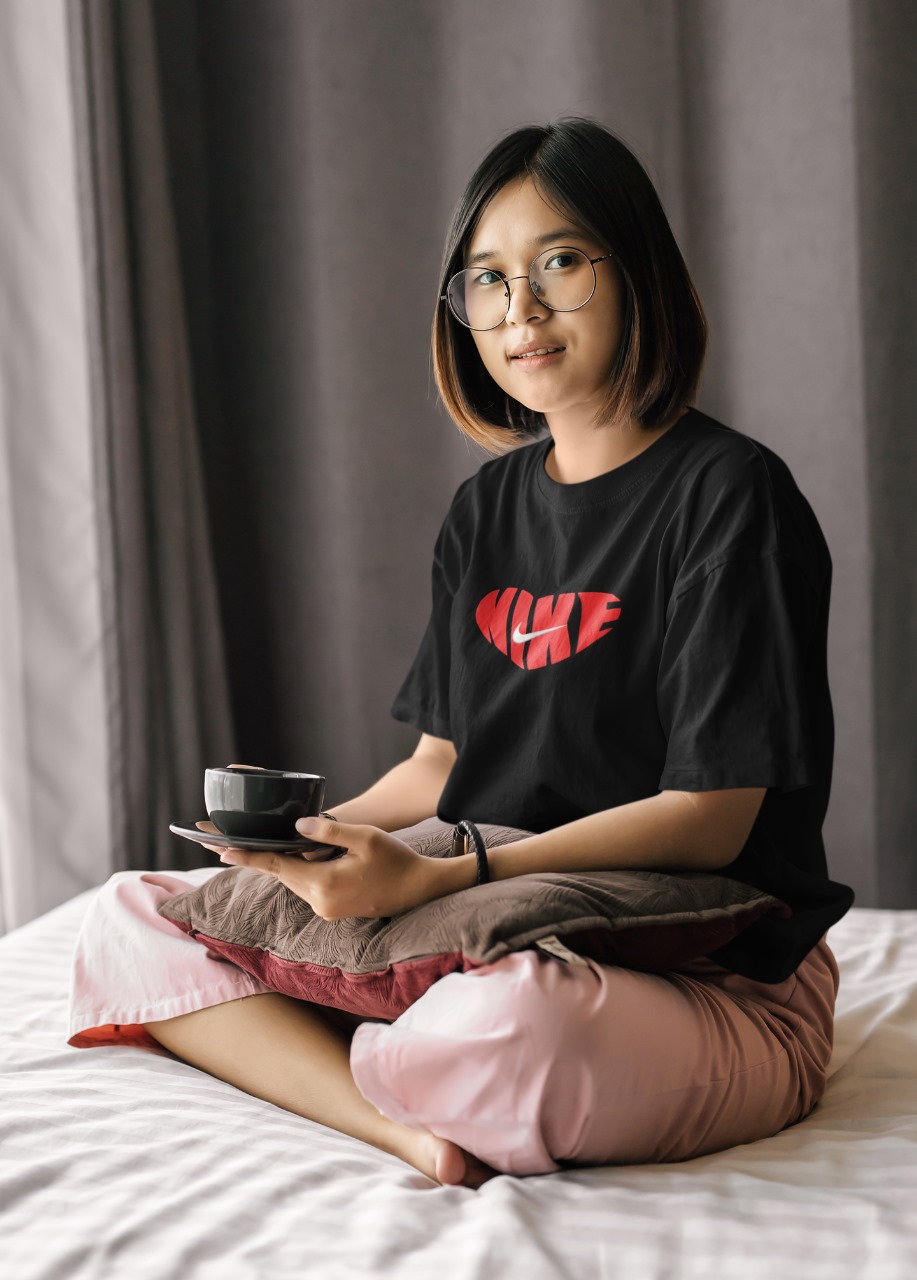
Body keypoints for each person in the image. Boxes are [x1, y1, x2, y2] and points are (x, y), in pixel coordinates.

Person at [68, 117, 854, 1189]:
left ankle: (363, 1045)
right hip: (487, 926)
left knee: (510, 1027)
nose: (519, 309)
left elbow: (709, 818)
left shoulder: (730, 496)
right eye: (486, 279)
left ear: (637, 270)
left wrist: (448, 873)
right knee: (130, 916)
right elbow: (437, 766)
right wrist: (300, 849)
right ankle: (399, 1126)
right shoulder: (484, 510)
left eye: (558, 262)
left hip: (709, 980)